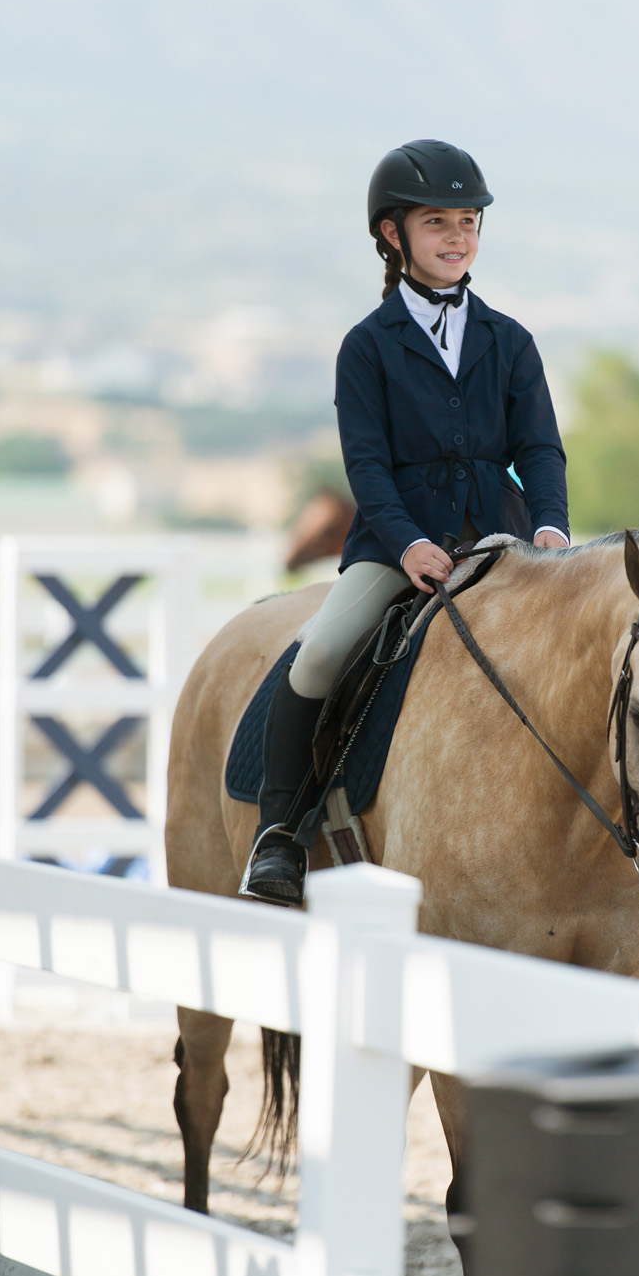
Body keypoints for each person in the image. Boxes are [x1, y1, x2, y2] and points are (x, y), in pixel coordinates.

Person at [242, 139, 570, 905]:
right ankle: (279, 838)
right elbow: (367, 468)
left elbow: (539, 448)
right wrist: (409, 543)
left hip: (508, 542)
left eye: (467, 221)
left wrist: (552, 527)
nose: (457, 237)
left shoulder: (510, 340)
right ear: (393, 235)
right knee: (318, 653)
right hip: (398, 544)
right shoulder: (366, 347)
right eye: (436, 223)